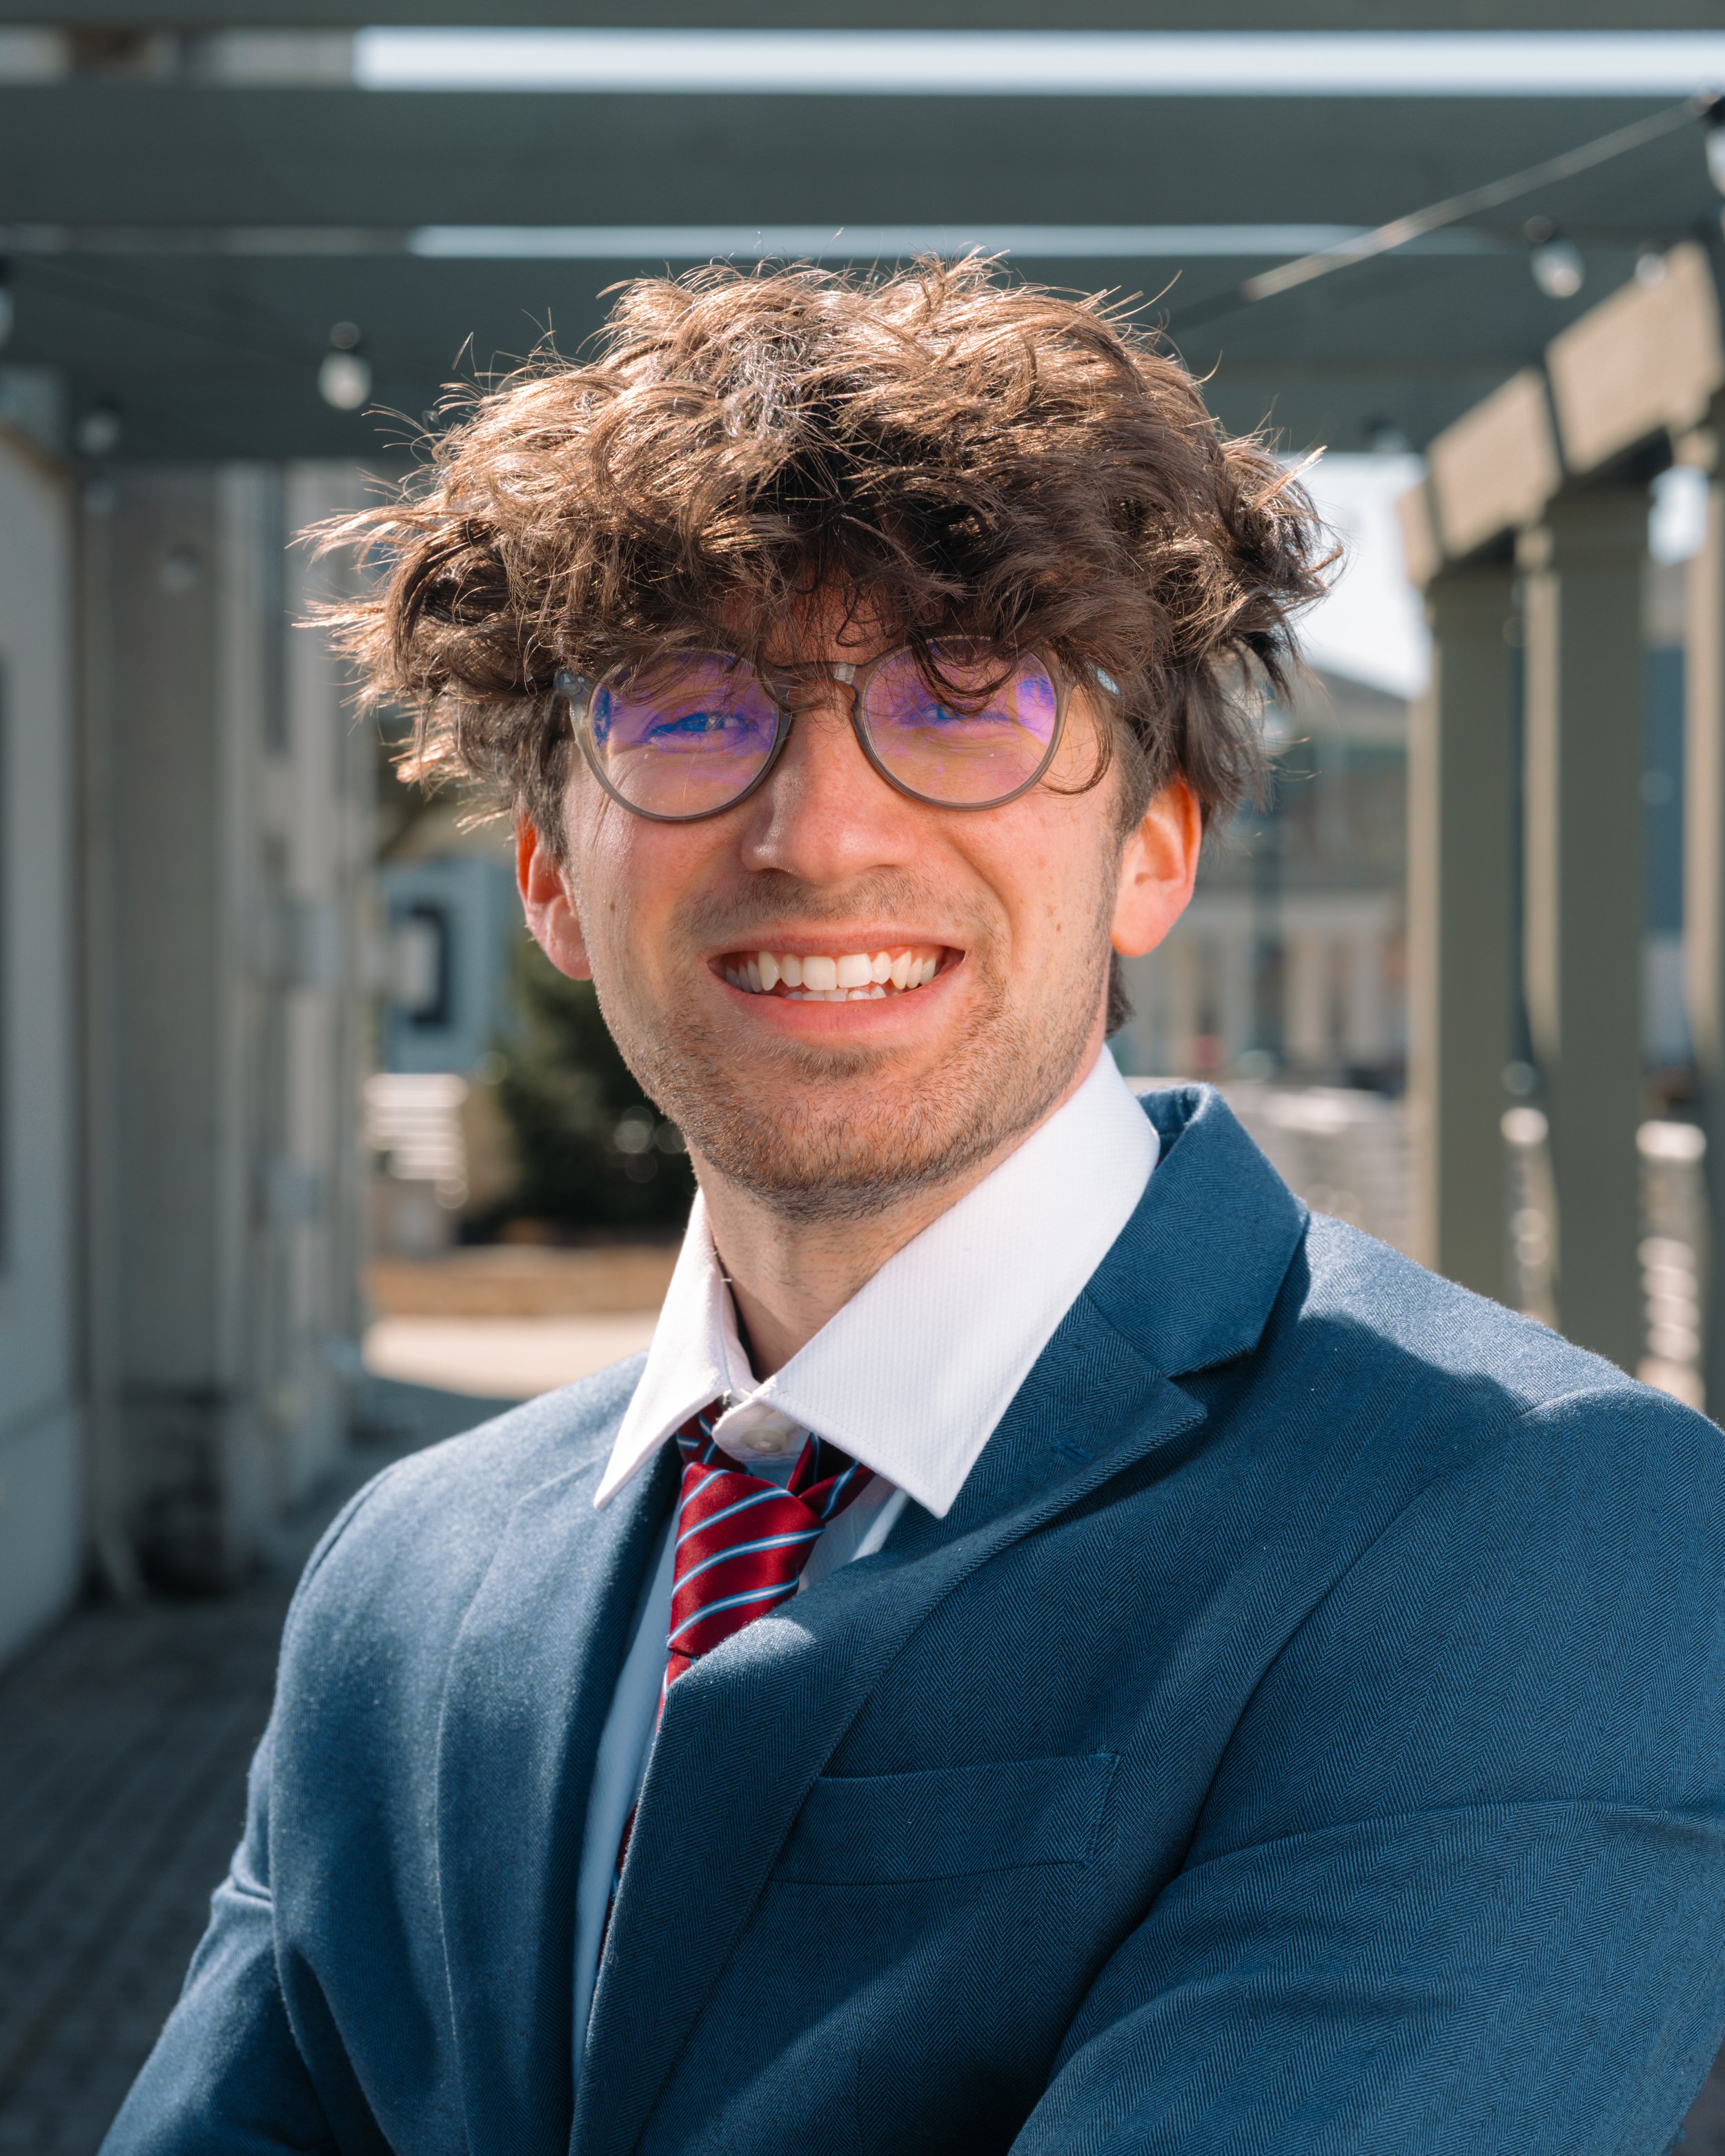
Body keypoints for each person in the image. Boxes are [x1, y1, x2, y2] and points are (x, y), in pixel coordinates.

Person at [106, 259, 1725, 2156]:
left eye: (965, 702)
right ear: (550, 874)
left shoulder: (1536, 1528)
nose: (818, 833)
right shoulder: (405, 1578)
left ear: (1153, 852)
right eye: (689, 710)